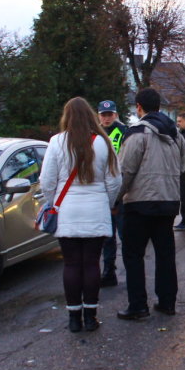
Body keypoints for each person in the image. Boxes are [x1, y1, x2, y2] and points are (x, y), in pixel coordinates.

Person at [40, 97, 122, 333]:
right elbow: (114, 180)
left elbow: (47, 181)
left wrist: (52, 203)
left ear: (67, 116)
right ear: (90, 116)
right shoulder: (103, 142)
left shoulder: (56, 142)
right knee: (92, 264)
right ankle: (90, 316)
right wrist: (106, 203)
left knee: (72, 264)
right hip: (96, 207)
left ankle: (73, 318)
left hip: (67, 209)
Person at [116, 88, 185, 320]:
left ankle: (138, 305)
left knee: (133, 254)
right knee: (165, 253)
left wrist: (114, 199)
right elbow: (181, 167)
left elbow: (125, 172)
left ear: (139, 107)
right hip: (168, 202)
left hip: (139, 203)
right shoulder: (176, 134)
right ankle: (167, 302)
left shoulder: (137, 133)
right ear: (159, 106)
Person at [97, 100, 128, 286]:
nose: (107, 118)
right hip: (101, 190)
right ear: (98, 115)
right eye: (103, 115)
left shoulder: (124, 132)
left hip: (121, 189)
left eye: (109, 115)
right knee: (107, 236)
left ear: (115, 115)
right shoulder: (95, 133)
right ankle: (109, 272)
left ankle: (131, 270)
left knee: (125, 234)